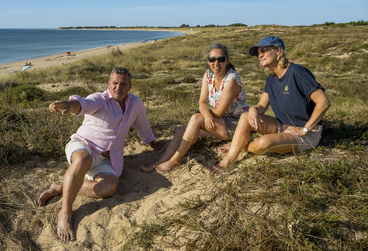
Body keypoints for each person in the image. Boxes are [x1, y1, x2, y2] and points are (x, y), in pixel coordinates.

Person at [37, 67, 156, 242]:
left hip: (107, 160)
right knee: (84, 159)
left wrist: (154, 143)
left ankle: (62, 187)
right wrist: (70, 105)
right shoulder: (99, 99)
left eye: (123, 84)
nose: (118, 87)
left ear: (130, 86)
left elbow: (143, 126)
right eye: (115, 83)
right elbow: (83, 104)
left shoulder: (135, 104)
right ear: (109, 84)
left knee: (110, 187)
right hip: (82, 146)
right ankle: (65, 213)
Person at [207, 36, 331, 171]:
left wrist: (304, 129)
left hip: (308, 134)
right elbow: (262, 106)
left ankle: (241, 147)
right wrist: (254, 109)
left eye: (264, 50)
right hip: (281, 125)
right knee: (245, 117)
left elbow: (324, 102)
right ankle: (228, 162)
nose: (260, 55)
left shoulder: (297, 72)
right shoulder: (271, 78)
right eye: (258, 53)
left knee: (264, 143)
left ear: (278, 50)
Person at [141, 43, 249, 173]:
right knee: (182, 130)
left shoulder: (232, 79)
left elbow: (219, 112)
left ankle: (175, 160)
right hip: (219, 121)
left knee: (196, 119)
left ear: (227, 60)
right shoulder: (208, 75)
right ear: (208, 61)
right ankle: (159, 162)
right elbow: (202, 102)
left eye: (220, 59)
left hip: (236, 124)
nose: (216, 63)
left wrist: (205, 116)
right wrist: (207, 115)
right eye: (212, 59)